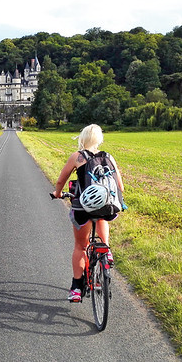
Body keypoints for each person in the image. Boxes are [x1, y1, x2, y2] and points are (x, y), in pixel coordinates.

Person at [52, 124, 124, 303]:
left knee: (80, 247)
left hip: (83, 208)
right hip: (107, 207)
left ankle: (77, 288)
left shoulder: (78, 157)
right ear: (99, 139)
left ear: (82, 138)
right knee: (101, 216)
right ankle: (106, 250)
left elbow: (61, 180)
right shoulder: (108, 157)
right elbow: (120, 186)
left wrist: (58, 193)